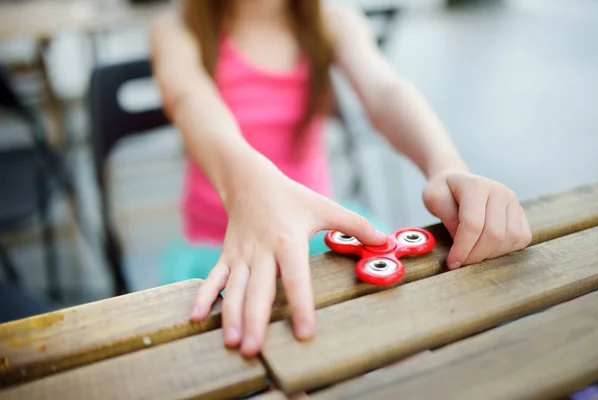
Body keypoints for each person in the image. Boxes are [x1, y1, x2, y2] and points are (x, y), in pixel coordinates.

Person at [149, 0, 532, 358]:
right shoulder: (176, 27)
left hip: (321, 239)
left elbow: (385, 90)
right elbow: (190, 102)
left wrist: (445, 164)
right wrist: (248, 184)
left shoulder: (328, 16)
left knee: (405, 347)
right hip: (218, 250)